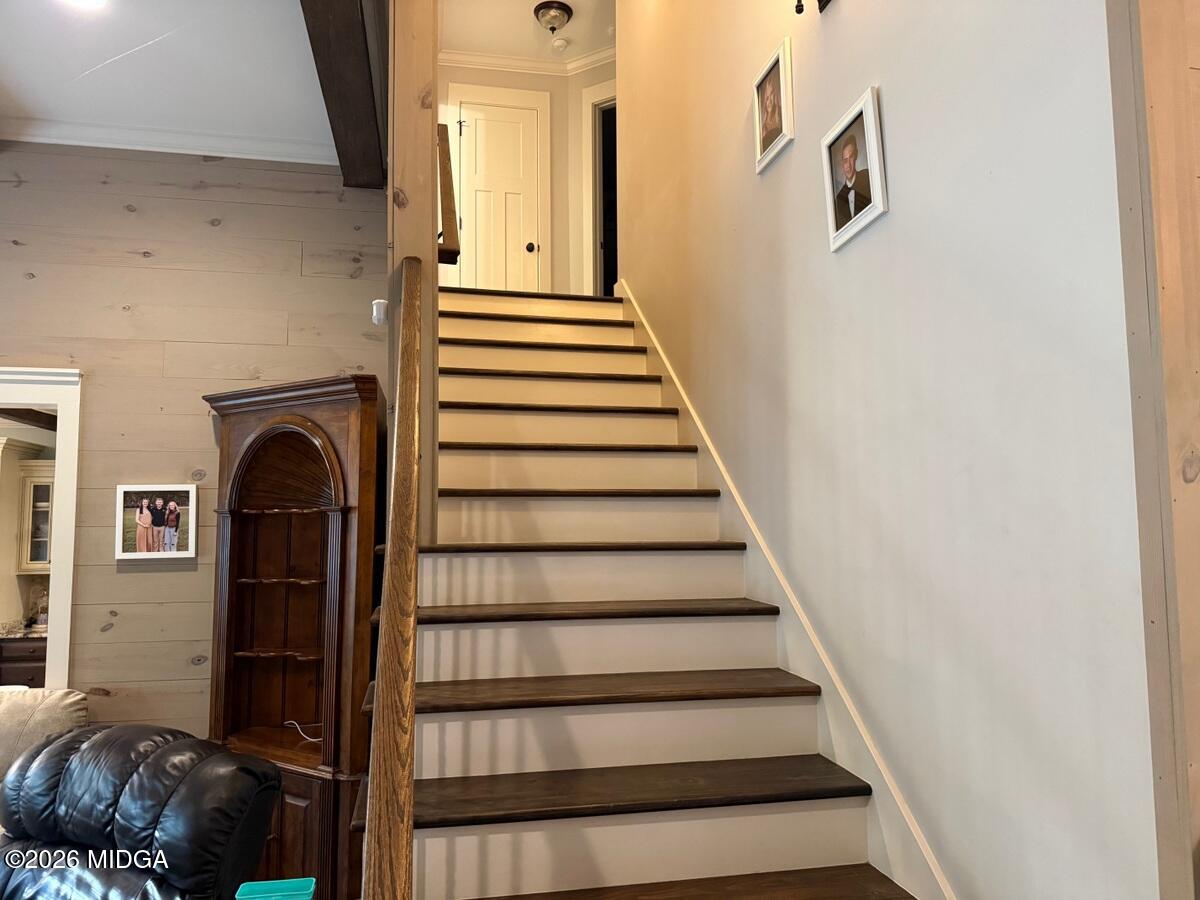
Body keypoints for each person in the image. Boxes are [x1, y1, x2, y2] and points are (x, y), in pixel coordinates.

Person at [834, 131, 872, 230]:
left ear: (856, 156)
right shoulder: (838, 200)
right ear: (842, 163)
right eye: (845, 160)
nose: (848, 165)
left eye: (851, 158)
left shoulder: (867, 177)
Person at [759, 68, 783, 153]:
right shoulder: (763, 127)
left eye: (771, 94)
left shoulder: (781, 114)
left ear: (775, 95)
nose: (769, 101)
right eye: (767, 98)